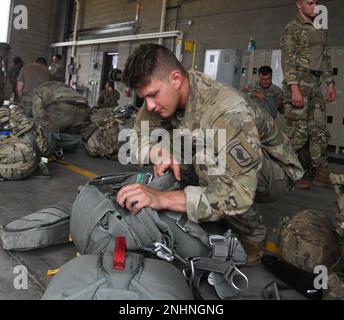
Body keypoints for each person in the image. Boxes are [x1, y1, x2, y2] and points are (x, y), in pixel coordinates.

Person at [115, 43, 304, 266]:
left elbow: (238, 192)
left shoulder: (226, 112)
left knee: (205, 159)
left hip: (275, 173)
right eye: (144, 98)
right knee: (174, 148)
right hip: (226, 158)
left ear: (175, 79)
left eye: (153, 95)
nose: (150, 105)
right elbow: (137, 136)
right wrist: (159, 152)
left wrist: (161, 199)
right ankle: (200, 208)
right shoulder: (165, 93)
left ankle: (253, 236)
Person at [280, 0, 336, 189]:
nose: (315, 7)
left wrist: (330, 83)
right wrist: (294, 87)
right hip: (299, 82)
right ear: (299, 4)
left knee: (318, 129)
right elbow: (287, 60)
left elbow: (325, 55)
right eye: (310, 3)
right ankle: (288, 174)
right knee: (298, 133)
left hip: (315, 83)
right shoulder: (292, 28)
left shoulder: (320, 27)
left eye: (317, 3)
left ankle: (320, 172)